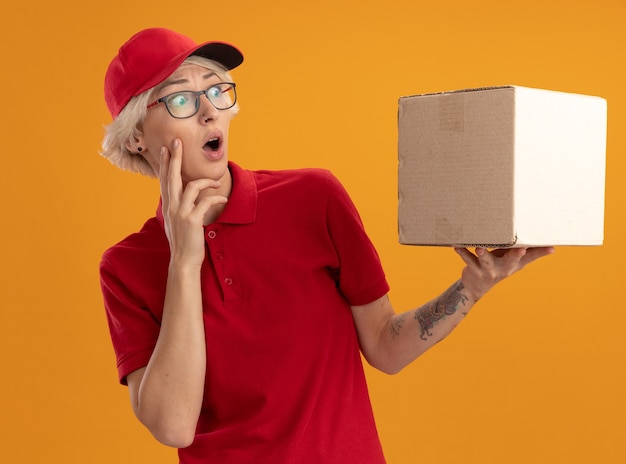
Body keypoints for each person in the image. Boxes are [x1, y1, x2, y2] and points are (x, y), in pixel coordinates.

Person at [99, 27, 554, 464]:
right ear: (136, 136)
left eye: (217, 91)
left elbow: (384, 346)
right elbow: (174, 426)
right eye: (182, 99)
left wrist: (470, 289)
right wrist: (184, 263)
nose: (210, 112)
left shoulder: (313, 199)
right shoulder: (126, 266)